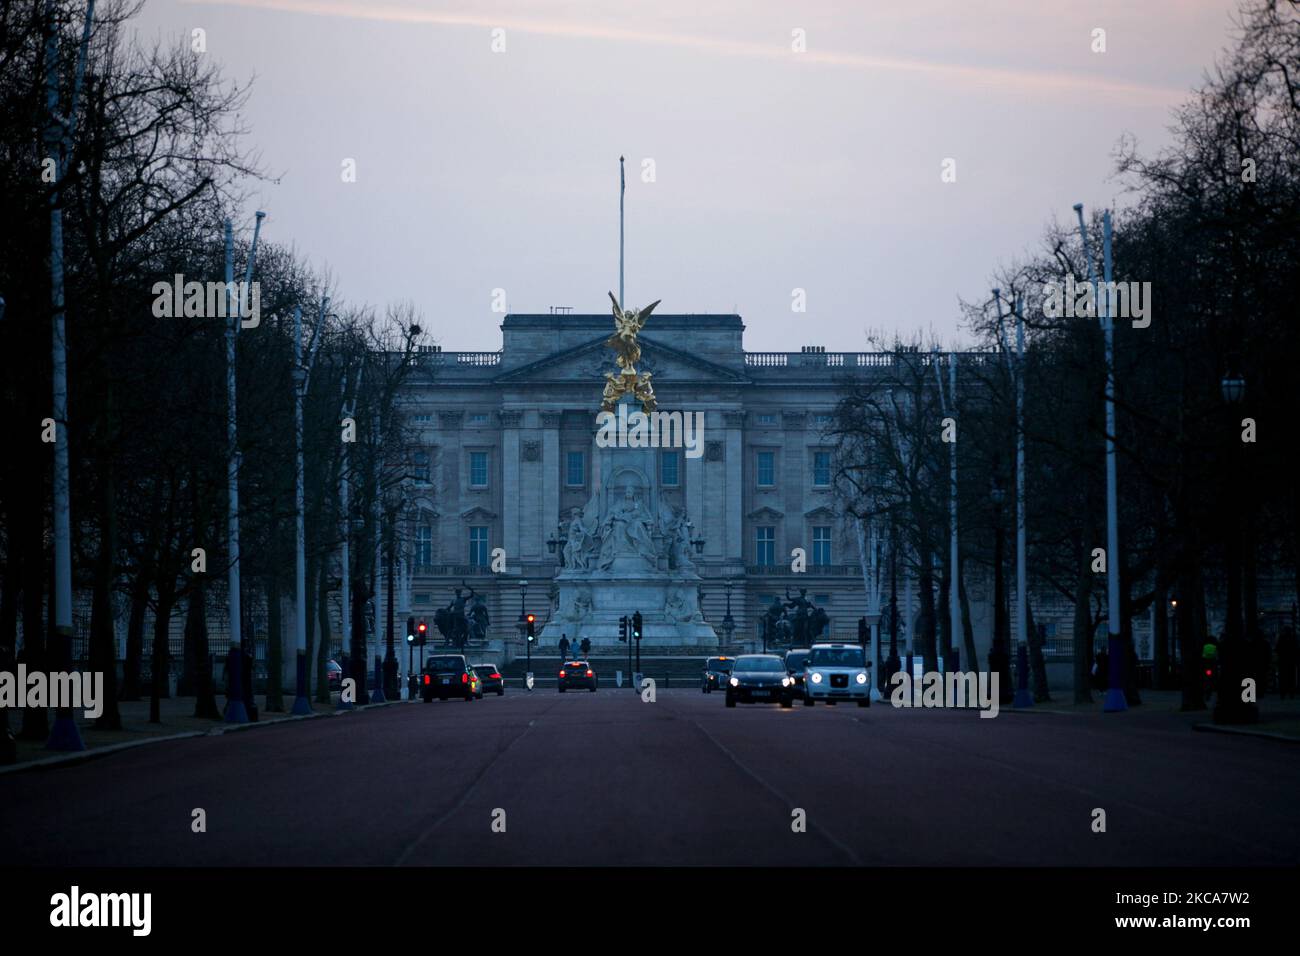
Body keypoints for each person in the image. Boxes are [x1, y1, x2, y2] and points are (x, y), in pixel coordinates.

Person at [1276, 626, 1297, 699]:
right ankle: (1291, 693)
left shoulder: (1281, 638)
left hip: (1283, 661)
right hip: (1291, 661)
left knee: (1283, 678)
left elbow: (1277, 649)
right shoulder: (1293, 638)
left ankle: (1283, 693)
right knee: (1291, 678)